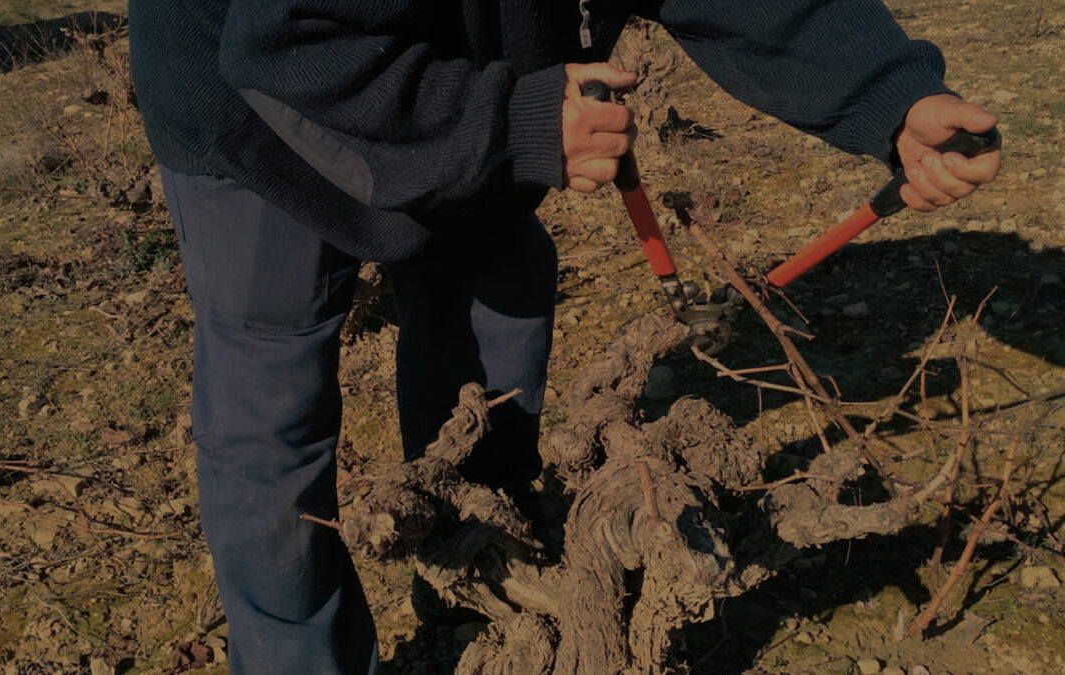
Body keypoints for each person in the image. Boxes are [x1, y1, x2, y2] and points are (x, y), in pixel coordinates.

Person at [127, 1, 1001, 673]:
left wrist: (891, 95)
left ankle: (483, 571)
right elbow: (288, 42)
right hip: (248, 98)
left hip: (455, 64)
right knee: (270, 399)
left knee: (501, 289)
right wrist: (513, 123)